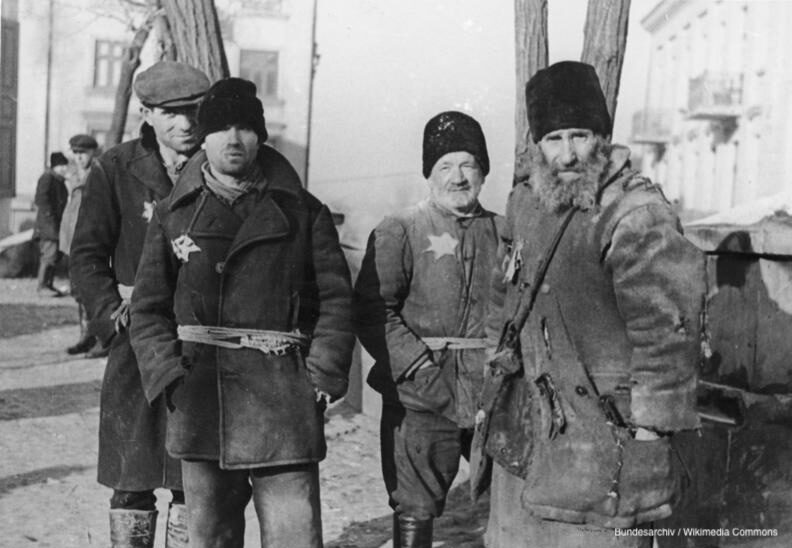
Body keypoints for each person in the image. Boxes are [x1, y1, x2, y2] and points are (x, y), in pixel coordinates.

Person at [482, 61, 705, 548]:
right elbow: (505, 295)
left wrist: (650, 431)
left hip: (606, 441)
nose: (567, 155)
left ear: (602, 137)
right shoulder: (525, 205)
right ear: (537, 146)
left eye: (579, 136)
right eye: (553, 139)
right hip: (529, 433)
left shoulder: (635, 214)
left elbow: (667, 332)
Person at [129, 77, 355, 548]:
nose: (233, 140)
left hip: (284, 404)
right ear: (204, 137)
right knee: (210, 539)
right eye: (220, 129)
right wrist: (169, 375)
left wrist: (320, 376)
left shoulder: (303, 214)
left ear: (261, 136)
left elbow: (335, 300)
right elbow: (148, 309)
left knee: (295, 536)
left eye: (245, 128)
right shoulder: (175, 215)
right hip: (202, 399)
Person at [69, 61, 210, 548]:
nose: (185, 123)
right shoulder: (117, 167)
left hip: (201, 346)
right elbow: (86, 257)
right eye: (170, 113)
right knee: (132, 480)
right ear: (147, 113)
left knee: (195, 483)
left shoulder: (221, 166)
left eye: (192, 110)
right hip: (135, 345)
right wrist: (112, 319)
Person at [354, 111, 501, 547]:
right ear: (429, 174)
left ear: (483, 171)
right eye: (445, 166)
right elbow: (371, 309)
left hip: (492, 392)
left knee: (508, 499)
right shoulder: (400, 228)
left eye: (468, 164)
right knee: (414, 502)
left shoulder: (506, 231)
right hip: (419, 391)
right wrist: (417, 368)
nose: (458, 177)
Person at [60, 134, 101, 355]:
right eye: (75, 154)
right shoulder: (74, 175)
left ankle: (102, 339)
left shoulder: (99, 174)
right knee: (78, 292)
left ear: (93, 152)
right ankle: (85, 336)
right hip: (73, 241)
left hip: (91, 242)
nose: (79, 158)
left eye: (83, 154)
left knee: (93, 290)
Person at [33, 151, 69, 297]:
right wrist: (50, 220)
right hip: (48, 225)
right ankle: (42, 287)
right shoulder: (47, 178)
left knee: (54, 255)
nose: (64, 168)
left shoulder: (58, 180)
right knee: (49, 255)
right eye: (61, 165)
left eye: (64, 165)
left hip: (55, 224)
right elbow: (41, 200)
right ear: (54, 166)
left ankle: (48, 284)